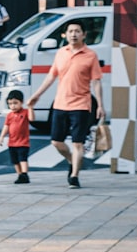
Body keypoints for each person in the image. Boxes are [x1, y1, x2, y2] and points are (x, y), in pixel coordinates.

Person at [27, 21, 104, 189]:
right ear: (65, 35)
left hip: (81, 105)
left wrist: (100, 105)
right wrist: (36, 95)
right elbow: (50, 77)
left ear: (84, 34)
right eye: (70, 31)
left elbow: (96, 81)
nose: (74, 34)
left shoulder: (91, 55)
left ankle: (74, 176)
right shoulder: (61, 53)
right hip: (61, 103)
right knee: (56, 142)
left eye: (77, 31)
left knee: (78, 143)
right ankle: (72, 161)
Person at [0, 90, 34, 184]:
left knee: (23, 158)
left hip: (23, 142)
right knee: (15, 160)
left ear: (21, 102)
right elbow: (6, 126)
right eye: (10, 104)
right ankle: (19, 175)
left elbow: (32, 119)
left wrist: (30, 107)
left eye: (15, 103)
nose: (13, 106)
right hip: (12, 143)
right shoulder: (9, 115)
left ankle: (24, 174)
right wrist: (2, 137)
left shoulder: (25, 112)